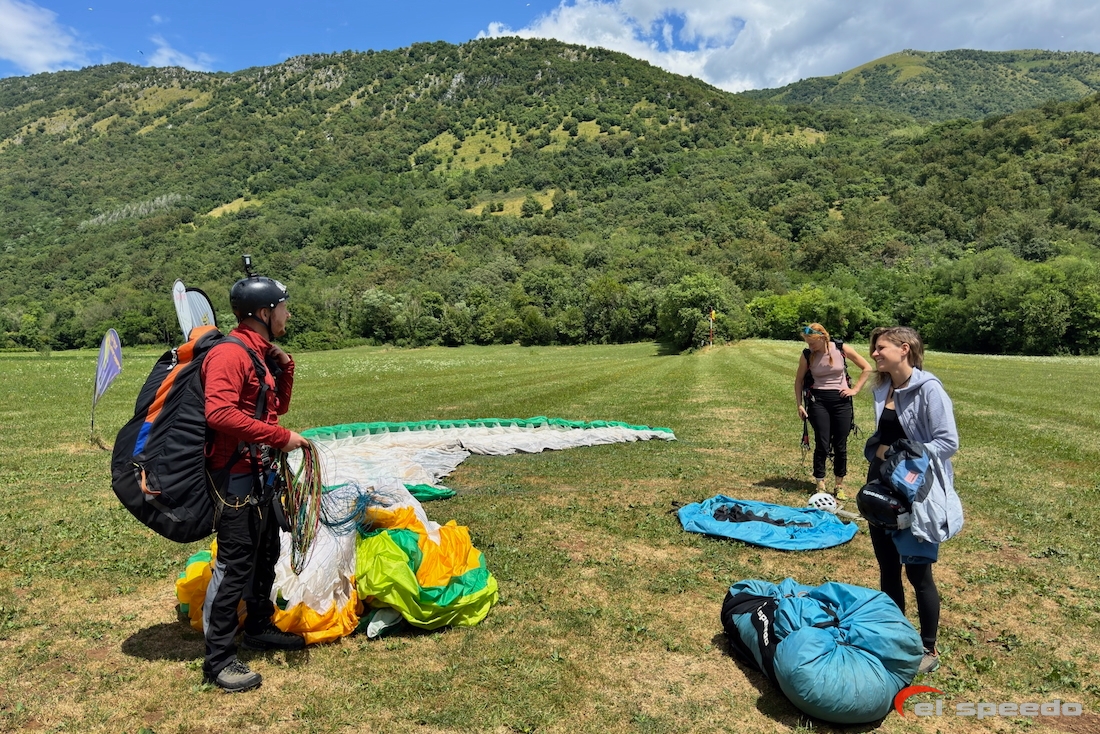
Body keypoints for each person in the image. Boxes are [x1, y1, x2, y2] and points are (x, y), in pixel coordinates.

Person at [200, 273, 309, 692]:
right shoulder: (231, 354)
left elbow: (274, 406)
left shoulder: (259, 352)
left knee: (266, 551)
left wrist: (287, 367)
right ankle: (219, 659)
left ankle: (260, 626)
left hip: (260, 473)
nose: (287, 313)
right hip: (234, 479)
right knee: (234, 565)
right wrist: (283, 438)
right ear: (265, 312)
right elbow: (219, 414)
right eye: (283, 306)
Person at [863, 326, 962, 675]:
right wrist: (876, 450)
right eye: (874, 349)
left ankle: (928, 648)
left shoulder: (930, 390)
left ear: (904, 349)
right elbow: (884, 434)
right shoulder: (883, 386)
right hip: (880, 487)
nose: (874, 354)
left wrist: (902, 453)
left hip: (913, 493)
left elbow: (947, 442)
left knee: (918, 573)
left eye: (880, 348)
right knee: (887, 567)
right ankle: (895, 636)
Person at [795, 323, 872, 500]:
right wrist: (799, 404)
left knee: (840, 444)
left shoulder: (840, 348)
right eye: (807, 342)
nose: (809, 346)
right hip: (818, 401)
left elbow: (867, 367)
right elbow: (799, 380)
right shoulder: (807, 355)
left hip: (841, 401)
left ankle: (839, 485)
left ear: (822, 338)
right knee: (822, 443)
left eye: (812, 342)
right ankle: (820, 483)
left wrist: (855, 390)